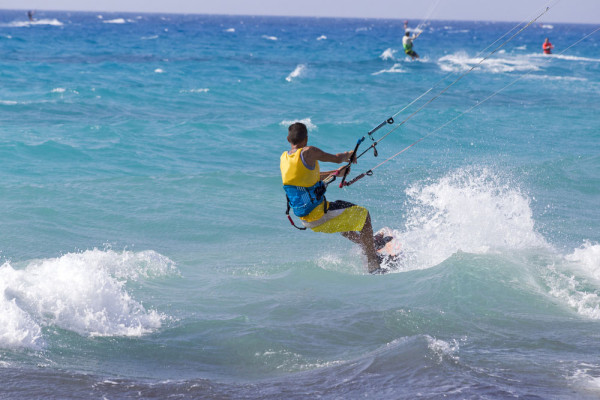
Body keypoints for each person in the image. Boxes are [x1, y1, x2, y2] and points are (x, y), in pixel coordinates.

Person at [280, 122, 383, 273]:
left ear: (288, 140)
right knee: (364, 216)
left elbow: (309, 178)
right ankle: (373, 262)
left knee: (341, 217)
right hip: (320, 215)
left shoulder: (284, 158)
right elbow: (337, 158)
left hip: (306, 221)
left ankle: (365, 243)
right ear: (306, 139)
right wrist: (349, 154)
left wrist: (336, 173)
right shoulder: (308, 152)